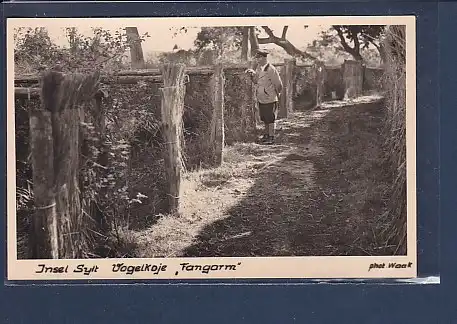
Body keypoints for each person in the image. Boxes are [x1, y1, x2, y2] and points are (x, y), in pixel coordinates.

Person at [245, 49, 283, 145]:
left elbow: (279, 85)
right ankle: (266, 135)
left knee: (270, 118)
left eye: (258, 58)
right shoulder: (259, 68)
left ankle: (271, 137)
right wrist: (252, 75)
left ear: (263, 58)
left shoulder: (271, 69)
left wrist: (275, 95)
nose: (257, 60)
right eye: (257, 58)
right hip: (261, 98)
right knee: (265, 117)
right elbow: (256, 81)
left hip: (270, 98)